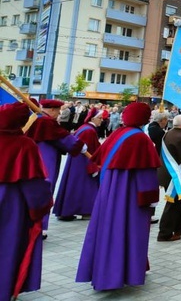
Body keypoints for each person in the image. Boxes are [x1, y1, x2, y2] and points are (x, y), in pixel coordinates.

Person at [76, 102, 161, 291]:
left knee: (108, 229)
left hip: (109, 191)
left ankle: (104, 272)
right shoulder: (141, 139)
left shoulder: (117, 134)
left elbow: (99, 158)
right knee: (130, 230)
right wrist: (151, 198)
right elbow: (146, 173)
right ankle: (121, 274)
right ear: (145, 118)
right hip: (129, 194)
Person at [0, 102, 54, 301]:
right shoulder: (24, 144)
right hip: (10, 204)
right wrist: (41, 207)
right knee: (6, 246)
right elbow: (33, 183)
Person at [25, 99, 86, 239]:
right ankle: (40, 227)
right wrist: (79, 145)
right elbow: (63, 138)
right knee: (46, 189)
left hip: (34, 159)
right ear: (52, 109)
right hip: (46, 160)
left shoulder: (36, 118)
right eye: (58, 110)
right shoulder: (46, 122)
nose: (59, 113)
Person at [53, 108, 103, 221]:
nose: (101, 120)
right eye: (100, 118)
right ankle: (85, 211)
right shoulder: (89, 131)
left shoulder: (85, 128)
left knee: (73, 186)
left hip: (77, 162)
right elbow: (88, 150)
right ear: (93, 118)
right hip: (82, 163)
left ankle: (67, 211)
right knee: (83, 187)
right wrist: (93, 166)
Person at [157, 114, 181, 242]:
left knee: (177, 201)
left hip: (166, 173)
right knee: (172, 203)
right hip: (174, 176)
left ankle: (180, 225)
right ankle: (164, 233)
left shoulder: (169, 133)